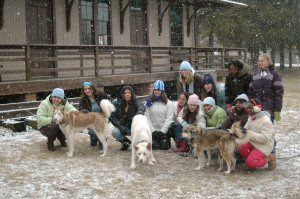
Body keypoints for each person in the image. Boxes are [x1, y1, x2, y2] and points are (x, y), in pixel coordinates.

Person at [237, 98, 276, 170]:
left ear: (256, 108)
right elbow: (246, 129)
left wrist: (249, 133)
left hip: (263, 145)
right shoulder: (251, 117)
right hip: (253, 141)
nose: (247, 110)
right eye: (247, 108)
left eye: (249, 108)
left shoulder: (266, 121)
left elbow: (264, 139)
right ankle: (253, 159)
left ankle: (268, 159)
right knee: (240, 145)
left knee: (250, 163)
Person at [248, 53, 284, 123]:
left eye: (262, 61)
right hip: (256, 109)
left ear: (268, 62)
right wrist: (251, 104)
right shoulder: (255, 75)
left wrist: (277, 110)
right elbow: (250, 91)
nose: (260, 63)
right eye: (259, 61)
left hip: (269, 109)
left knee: (266, 130)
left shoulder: (275, 75)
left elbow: (279, 94)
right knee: (256, 130)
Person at [110, 85, 145, 151]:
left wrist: (140, 111)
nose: (127, 95)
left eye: (129, 93)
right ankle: (126, 143)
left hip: (134, 127)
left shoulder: (135, 101)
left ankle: (140, 145)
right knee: (115, 132)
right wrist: (120, 126)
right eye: (125, 93)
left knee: (141, 130)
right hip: (123, 127)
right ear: (123, 94)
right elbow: (112, 117)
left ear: (131, 94)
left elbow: (141, 106)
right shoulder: (117, 103)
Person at [78, 81, 110, 149]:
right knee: (93, 132)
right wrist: (84, 111)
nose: (87, 90)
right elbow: (81, 108)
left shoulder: (101, 95)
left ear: (92, 88)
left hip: (102, 117)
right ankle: (93, 137)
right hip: (91, 120)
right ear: (83, 90)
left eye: (89, 88)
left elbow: (109, 102)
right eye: (85, 89)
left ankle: (102, 140)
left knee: (101, 129)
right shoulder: (83, 99)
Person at [145, 80, 175, 150]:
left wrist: (163, 131)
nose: (156, 91)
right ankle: (153, 139)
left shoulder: (168, 103)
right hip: (153, 131)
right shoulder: (149, 102)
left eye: (158, 90)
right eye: (155, 90)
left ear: (162, 91)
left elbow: (169, 118)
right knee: (154, 147)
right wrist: (153, 131)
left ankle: (165, 139)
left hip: (163, 131)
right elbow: (147, 117)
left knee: (164, 147)